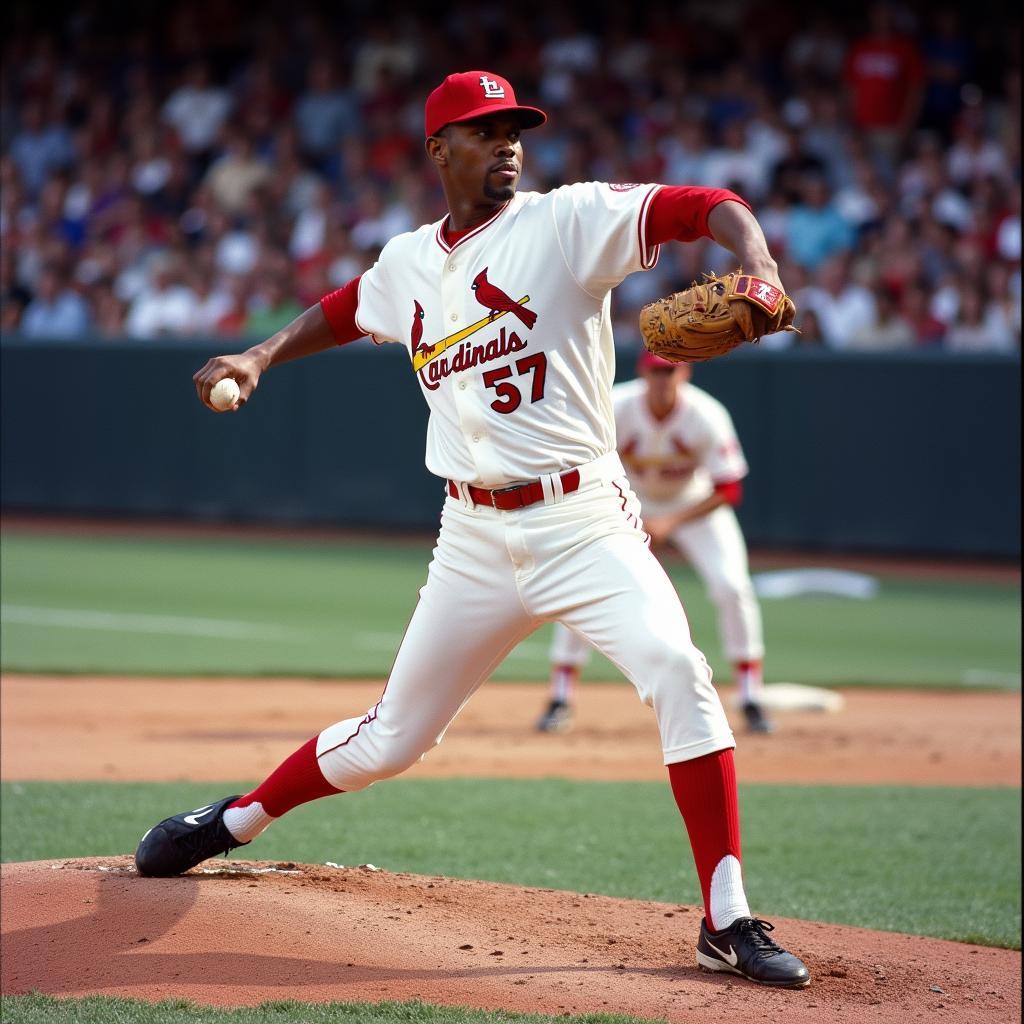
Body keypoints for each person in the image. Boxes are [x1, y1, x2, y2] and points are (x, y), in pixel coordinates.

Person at [134, 70, 810, 989]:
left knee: (679, 671)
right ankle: (235, 821)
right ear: (437, 150)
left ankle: (725, 917)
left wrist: (760, 266)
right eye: (484, 130)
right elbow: (346, 307)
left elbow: (706, 204)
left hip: (584, 521)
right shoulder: (409, 260)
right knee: (389, 742)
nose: (507, 144)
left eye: (514, 129)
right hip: (471, 539)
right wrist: (258, 355)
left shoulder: (565, 220)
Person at [537, 352, 774, 736]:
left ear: (685, 373)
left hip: (692, 503)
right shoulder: (615, 405)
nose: (663, 379)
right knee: (581, 584)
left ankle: (750, 696)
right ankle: (560, 696)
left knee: (732, 586)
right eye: (656, 371)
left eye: (671, 371)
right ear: (643, 373)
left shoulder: (706, 414)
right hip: (625, 496)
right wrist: (621, 508)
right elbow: (578, 463)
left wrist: (670, 522)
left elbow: (729, 489)